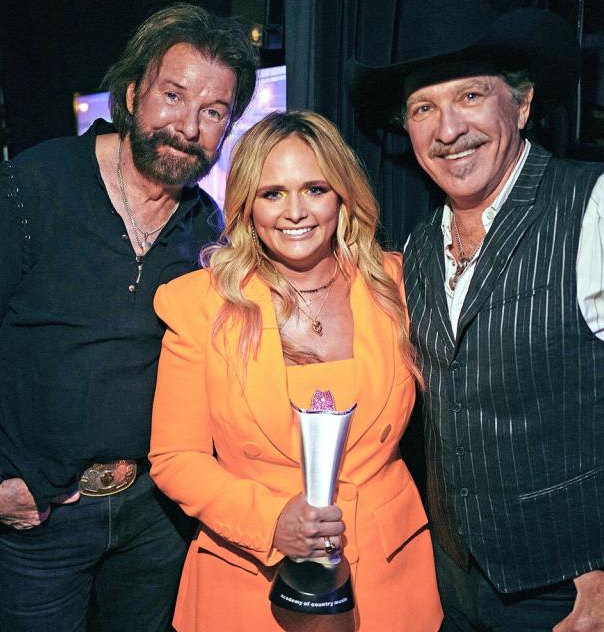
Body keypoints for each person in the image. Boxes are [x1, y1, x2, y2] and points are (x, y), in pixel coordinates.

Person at [348, 0, 604, 630]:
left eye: (471, 97)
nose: (447, 129)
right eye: (424, 107)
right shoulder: (420, 245)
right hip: (451, 591)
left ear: (524, 102)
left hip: (578, 598)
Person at [0, 3, 258, 631]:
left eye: (214, 112)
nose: (188, 126)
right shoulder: (29, 187)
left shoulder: (205, 228)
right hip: (42, 515)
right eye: (173, 95)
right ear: (133, 93)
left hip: (156, 516)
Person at [148, 110, 443, 631]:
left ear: (342, 196)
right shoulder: (199, 304)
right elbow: (175, 458)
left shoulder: (397, 285)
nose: (295, 212)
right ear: (246, 205)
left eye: (314, 188)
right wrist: (271, 522)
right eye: (272, 193)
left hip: (387, 578)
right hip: (248, 579)